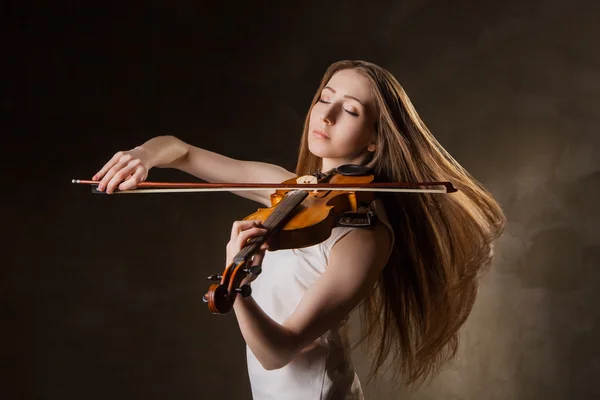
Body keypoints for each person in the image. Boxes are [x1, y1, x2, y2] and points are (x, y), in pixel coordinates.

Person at [92, 60, 506, 399]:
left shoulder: (363, 235)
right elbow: (181, 151)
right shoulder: (290, 192)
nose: (324, 114)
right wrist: (141, 156)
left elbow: (279, 352)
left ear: (376, 140)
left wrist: (236, 284)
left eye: (350, 110)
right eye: (324, 98)